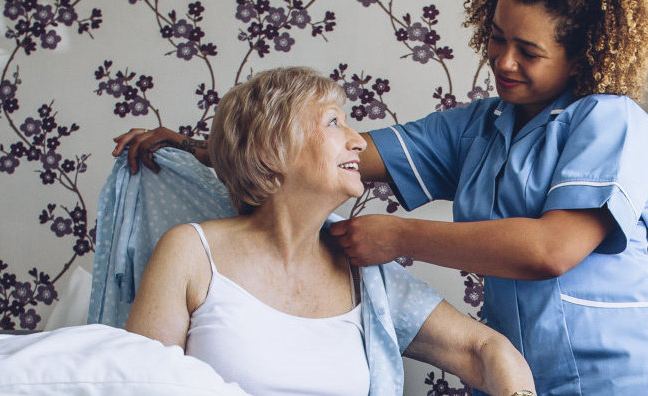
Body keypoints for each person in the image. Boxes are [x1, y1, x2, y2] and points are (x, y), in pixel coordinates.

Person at [114, 0, 648, 395]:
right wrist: (199, 145)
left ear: (581, 53)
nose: (503, 61)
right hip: (530, 373)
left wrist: (399, 237)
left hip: (623, 372)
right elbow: (314, 152)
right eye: (495, 38)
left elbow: (550, 249)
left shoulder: (612, 122)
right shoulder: (477, 129)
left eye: (528, 50)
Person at [117, 67, 536, 396]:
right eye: (334, 122)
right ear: (271, 148)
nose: (357, 141)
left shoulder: (364, 274)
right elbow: (136, 385)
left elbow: (483, 350)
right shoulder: (190, 252)